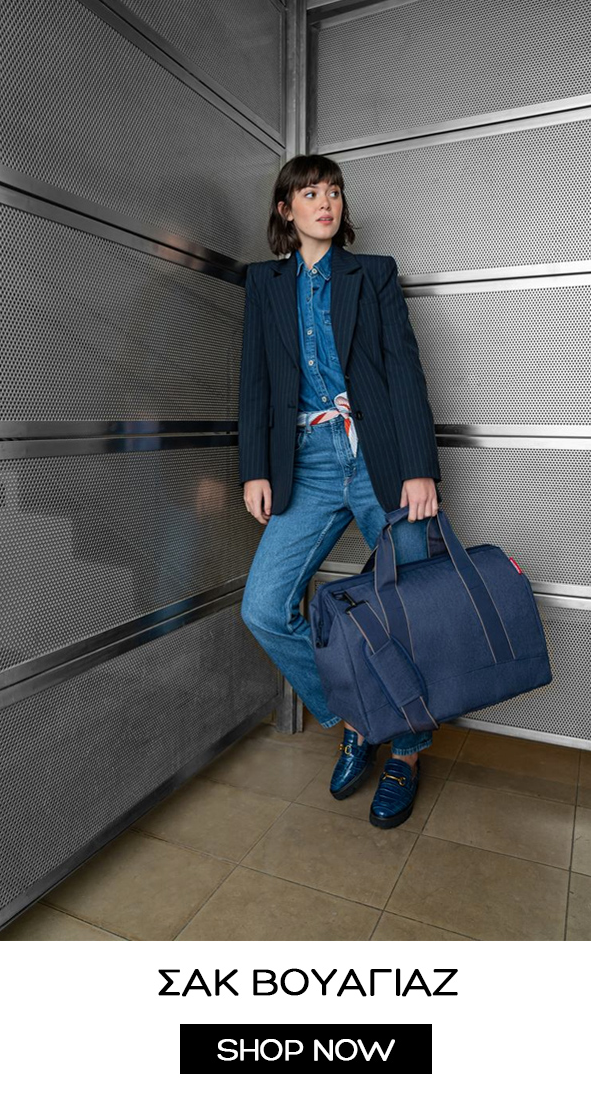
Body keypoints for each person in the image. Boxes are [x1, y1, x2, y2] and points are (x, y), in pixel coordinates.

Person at [239, 154, 443, 829]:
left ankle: (406, 748)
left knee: (410, 602)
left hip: (379, 457)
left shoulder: (373, 274)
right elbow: (255, 380)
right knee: (265, 608)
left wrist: (419, 466)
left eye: (333, 192)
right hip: (308, 463)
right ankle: (358, 715)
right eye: (309, 193)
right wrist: (254, 468)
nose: (324, 202)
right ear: (286, 210)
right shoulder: (265, 284)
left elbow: (404, 371)